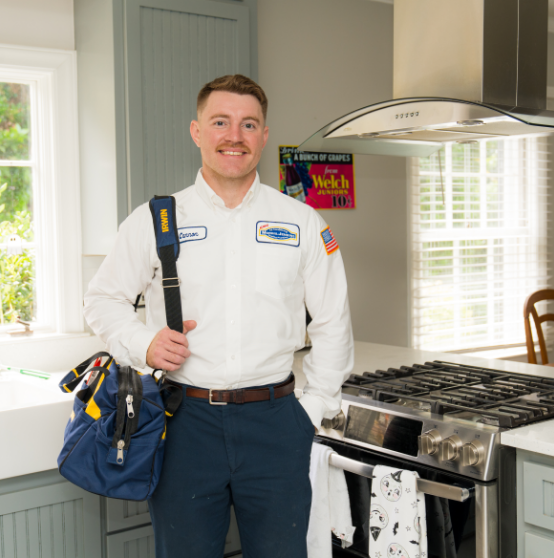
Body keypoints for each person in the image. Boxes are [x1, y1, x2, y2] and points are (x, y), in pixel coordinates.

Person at [83, 74, 354, 558]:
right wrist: (143, 343)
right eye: (221, 122)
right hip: (185, 423)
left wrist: (312, 411)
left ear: (264, 135)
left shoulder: (302, 221)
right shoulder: (155, 219)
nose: (235, 136)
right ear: (196, 131)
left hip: (277, 422)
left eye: (249, 124)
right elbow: (101, 300)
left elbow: (334, 321)